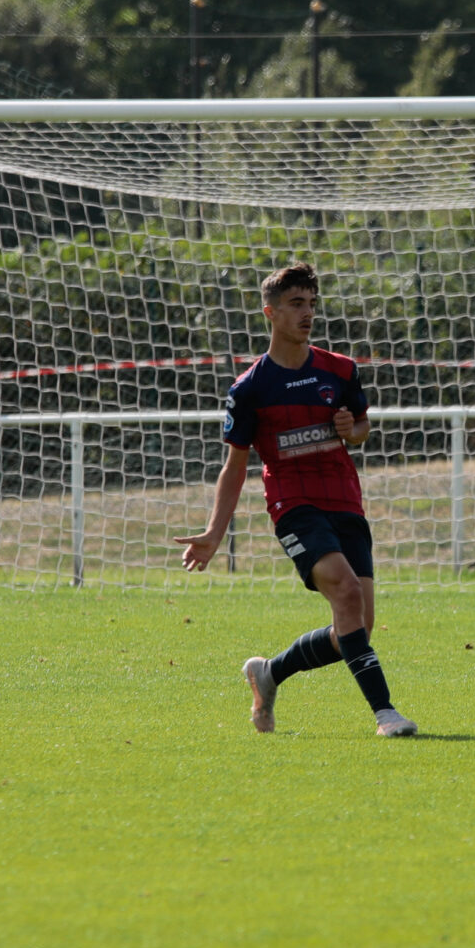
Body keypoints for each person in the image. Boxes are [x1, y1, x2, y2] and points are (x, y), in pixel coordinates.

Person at [177, 263, 415, 738]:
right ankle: (385, 713)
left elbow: (362, 428)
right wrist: (212, 534)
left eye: (311, 302)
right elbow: (235, 465)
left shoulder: (340, 369)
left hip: (345, 501)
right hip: (293, 506)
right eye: (296, 304)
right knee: (345, 593)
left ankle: (269, 673)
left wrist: (355, 430)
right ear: (271, 312)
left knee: (357, 628)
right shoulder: (250, 389)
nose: (308, 313)